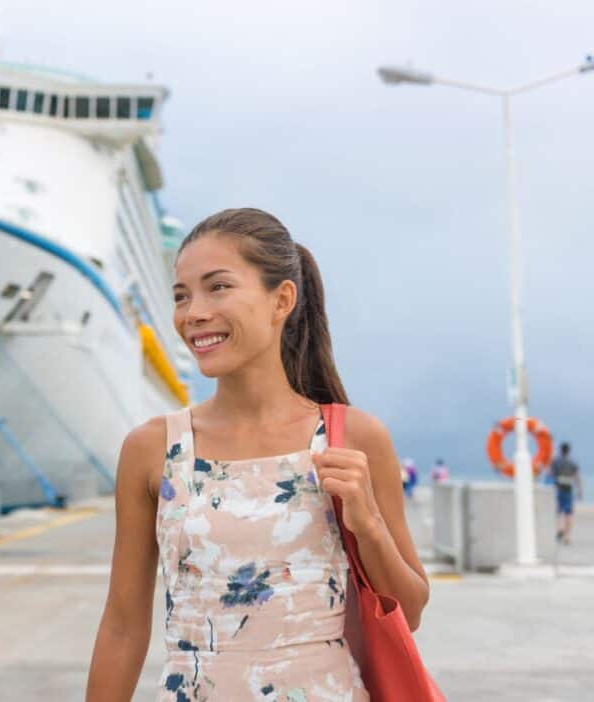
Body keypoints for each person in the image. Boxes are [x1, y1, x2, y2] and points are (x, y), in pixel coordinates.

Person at [86, 208, 430, 701]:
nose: (193, 313)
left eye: (217, 287)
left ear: (282, 299)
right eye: (181, 296)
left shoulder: (352, 436)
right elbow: (122, 626)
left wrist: (369, 522)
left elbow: (410, 611)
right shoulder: (152, 449)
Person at [551, 442, 583, 545]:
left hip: (559, 489)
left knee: (558, 512)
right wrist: (579, 490)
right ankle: (567, 536)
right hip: (569, 490)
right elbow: (577, 477)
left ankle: (559, 529)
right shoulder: (573, 463)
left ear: (561, 450)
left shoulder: (556, 462)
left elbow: (551, 474)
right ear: (569, 451)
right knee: (568, 514)